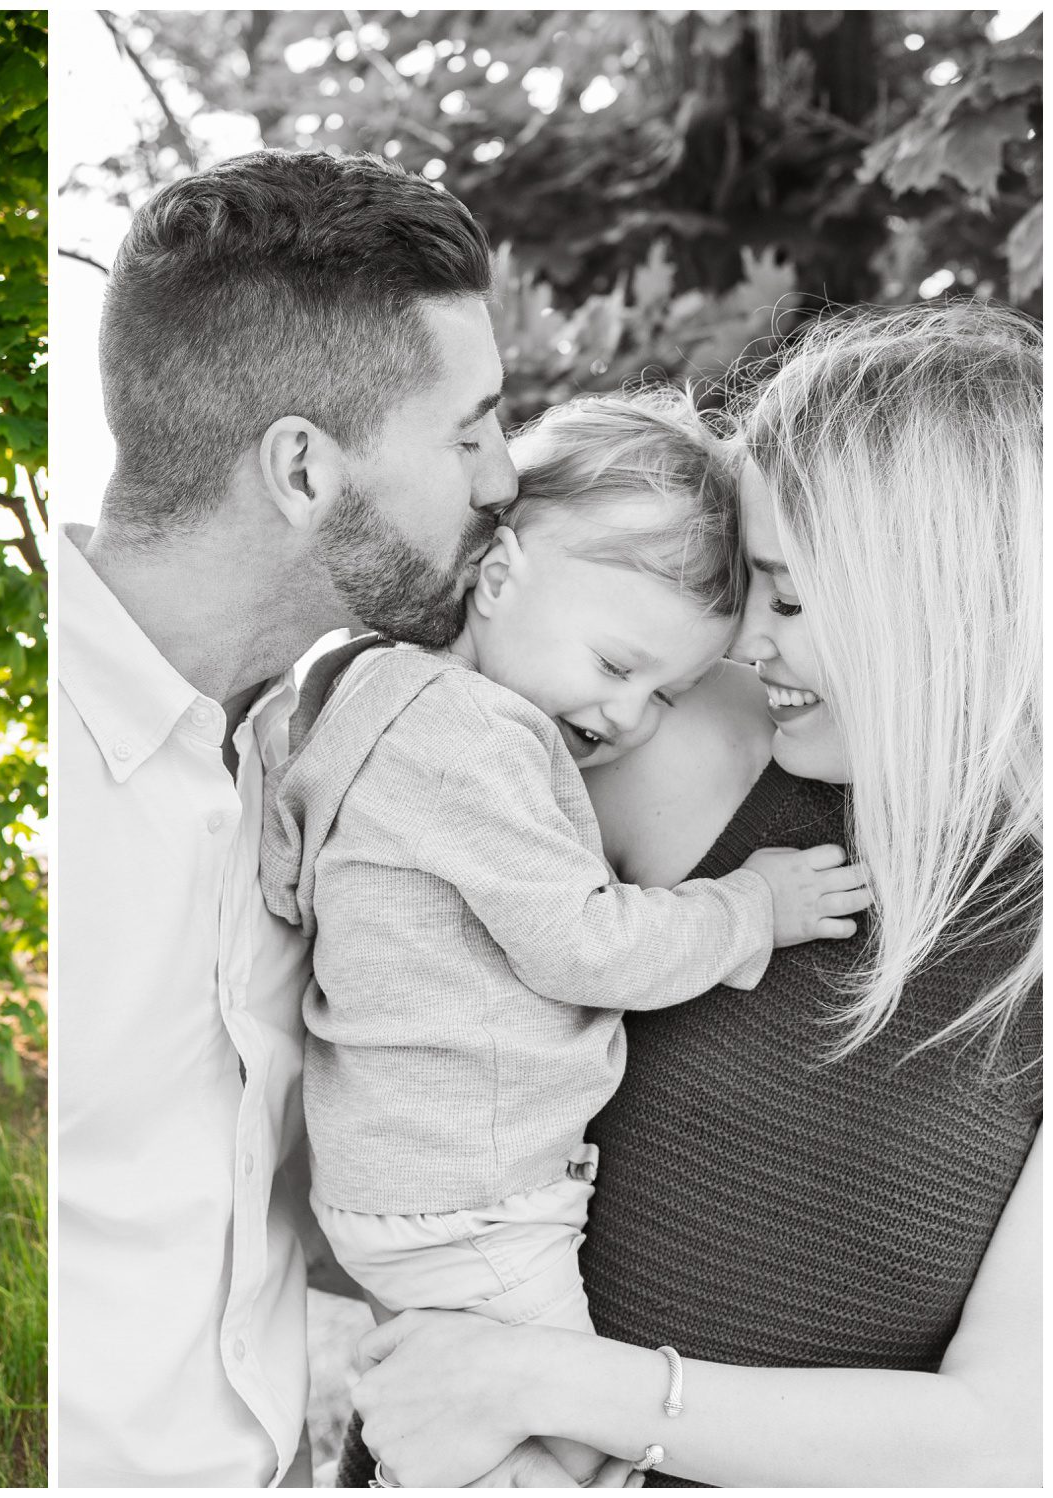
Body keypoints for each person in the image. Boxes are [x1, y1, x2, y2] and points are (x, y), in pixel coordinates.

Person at [338, 301, 1041, 1487]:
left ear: (938, 598)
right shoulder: (682, 744)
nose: (744, 642)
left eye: (788, 595)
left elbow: (1006, 1442)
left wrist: (543, 1384)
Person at [260, 392, 871, 1486]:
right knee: (574, 1444)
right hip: (472, 1192)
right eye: (617, 663)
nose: (631, 715)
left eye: (669, 691)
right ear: (497, 576)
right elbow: (583, 946)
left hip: (405, 1180)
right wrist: (753, 911)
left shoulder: (361, 693)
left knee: (501, 1421)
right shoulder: (476, 738)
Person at [59, 147, 518, 1486]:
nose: (502, 477)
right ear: (305, 470)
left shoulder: (317, 753)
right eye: (471, 426)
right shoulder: (52, 792)